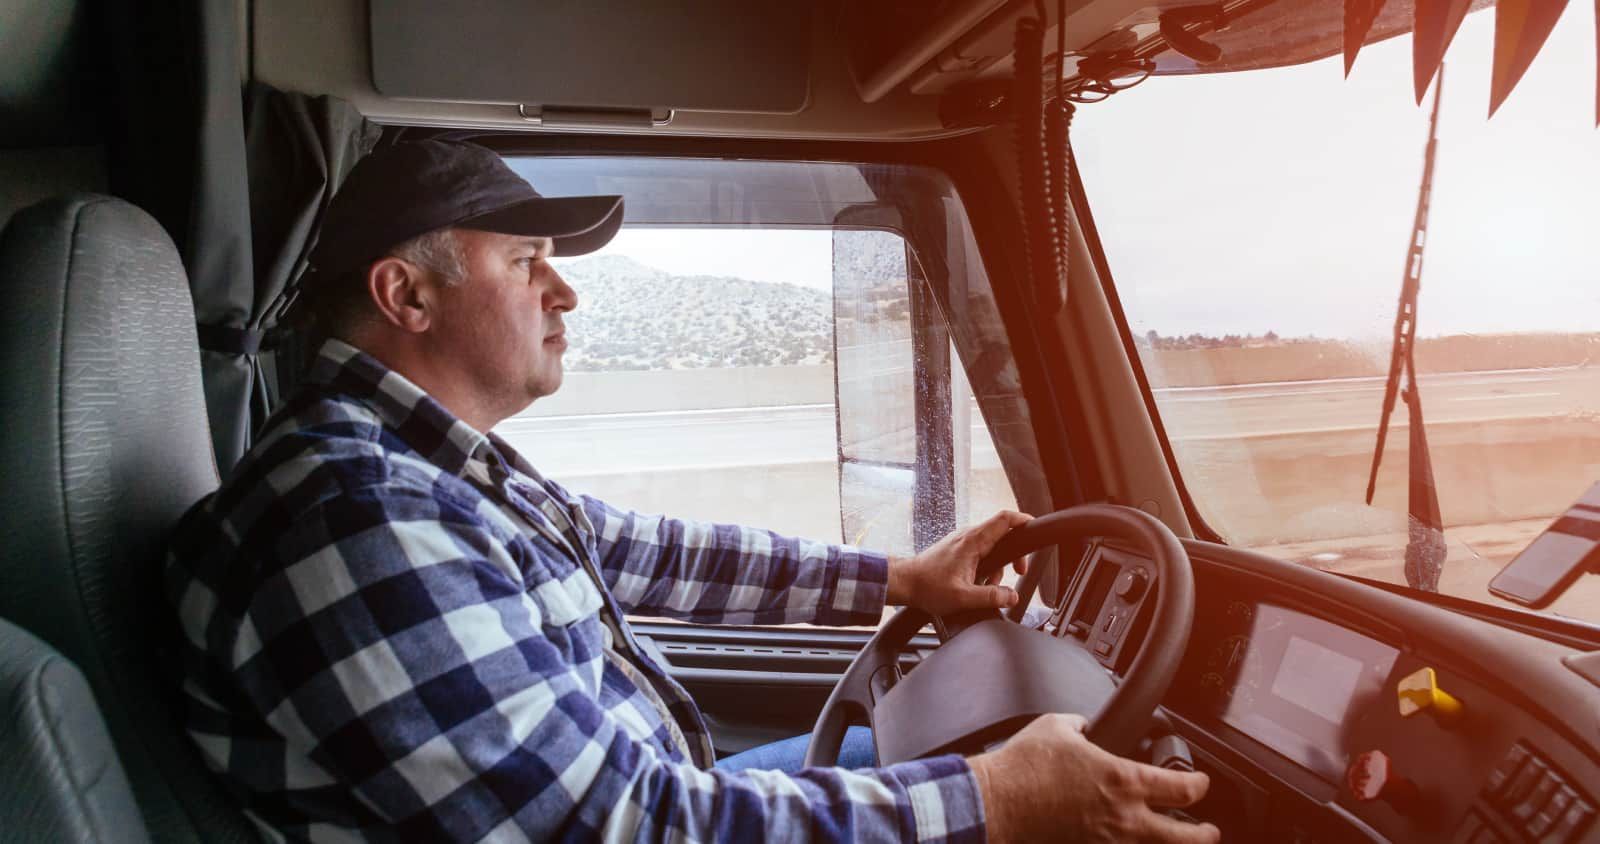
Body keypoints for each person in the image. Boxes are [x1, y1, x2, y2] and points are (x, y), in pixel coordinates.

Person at [167, 139, 1220, 843]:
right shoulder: (355, 520)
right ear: (406, 294)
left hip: (653, 797)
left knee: (885, 752)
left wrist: (902, 579)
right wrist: (997, 800)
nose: (565, 289)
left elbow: (642, 551)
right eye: (526, 260)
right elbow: (623, 829)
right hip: (641, 820)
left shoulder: (431, 469)